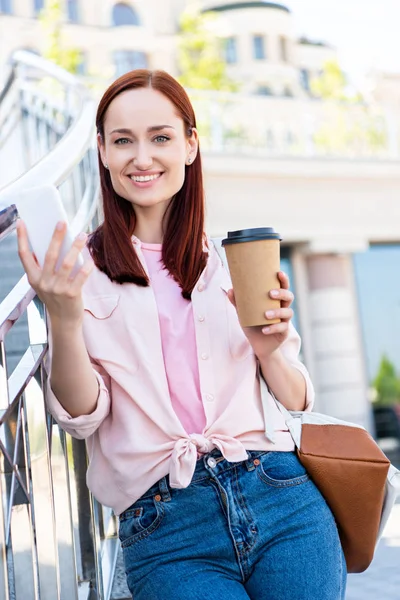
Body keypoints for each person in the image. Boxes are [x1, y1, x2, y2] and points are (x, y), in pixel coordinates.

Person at [17, 69, 347, 599]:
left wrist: (270, 353)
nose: (142, 157)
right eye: (123, 141)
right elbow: (81, 417)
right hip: (166, 524)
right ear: (100, 151)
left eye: (161, 138)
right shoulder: (76, 268)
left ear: (191, 146)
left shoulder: (229, 259)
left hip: (281, 496)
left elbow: (300, 399)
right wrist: (63, 316)